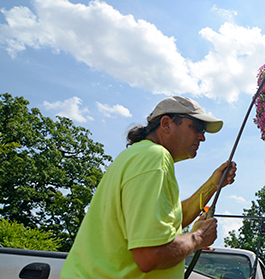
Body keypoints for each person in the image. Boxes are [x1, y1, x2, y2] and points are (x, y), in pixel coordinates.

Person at [61, 96, 237, 278]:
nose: (202, 137)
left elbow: (168, 223)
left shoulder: (137, 155)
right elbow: (150, 255)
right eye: (197, 127)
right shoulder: (154, 158)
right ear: (167, 124)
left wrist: (213, 184)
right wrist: (198, 237)